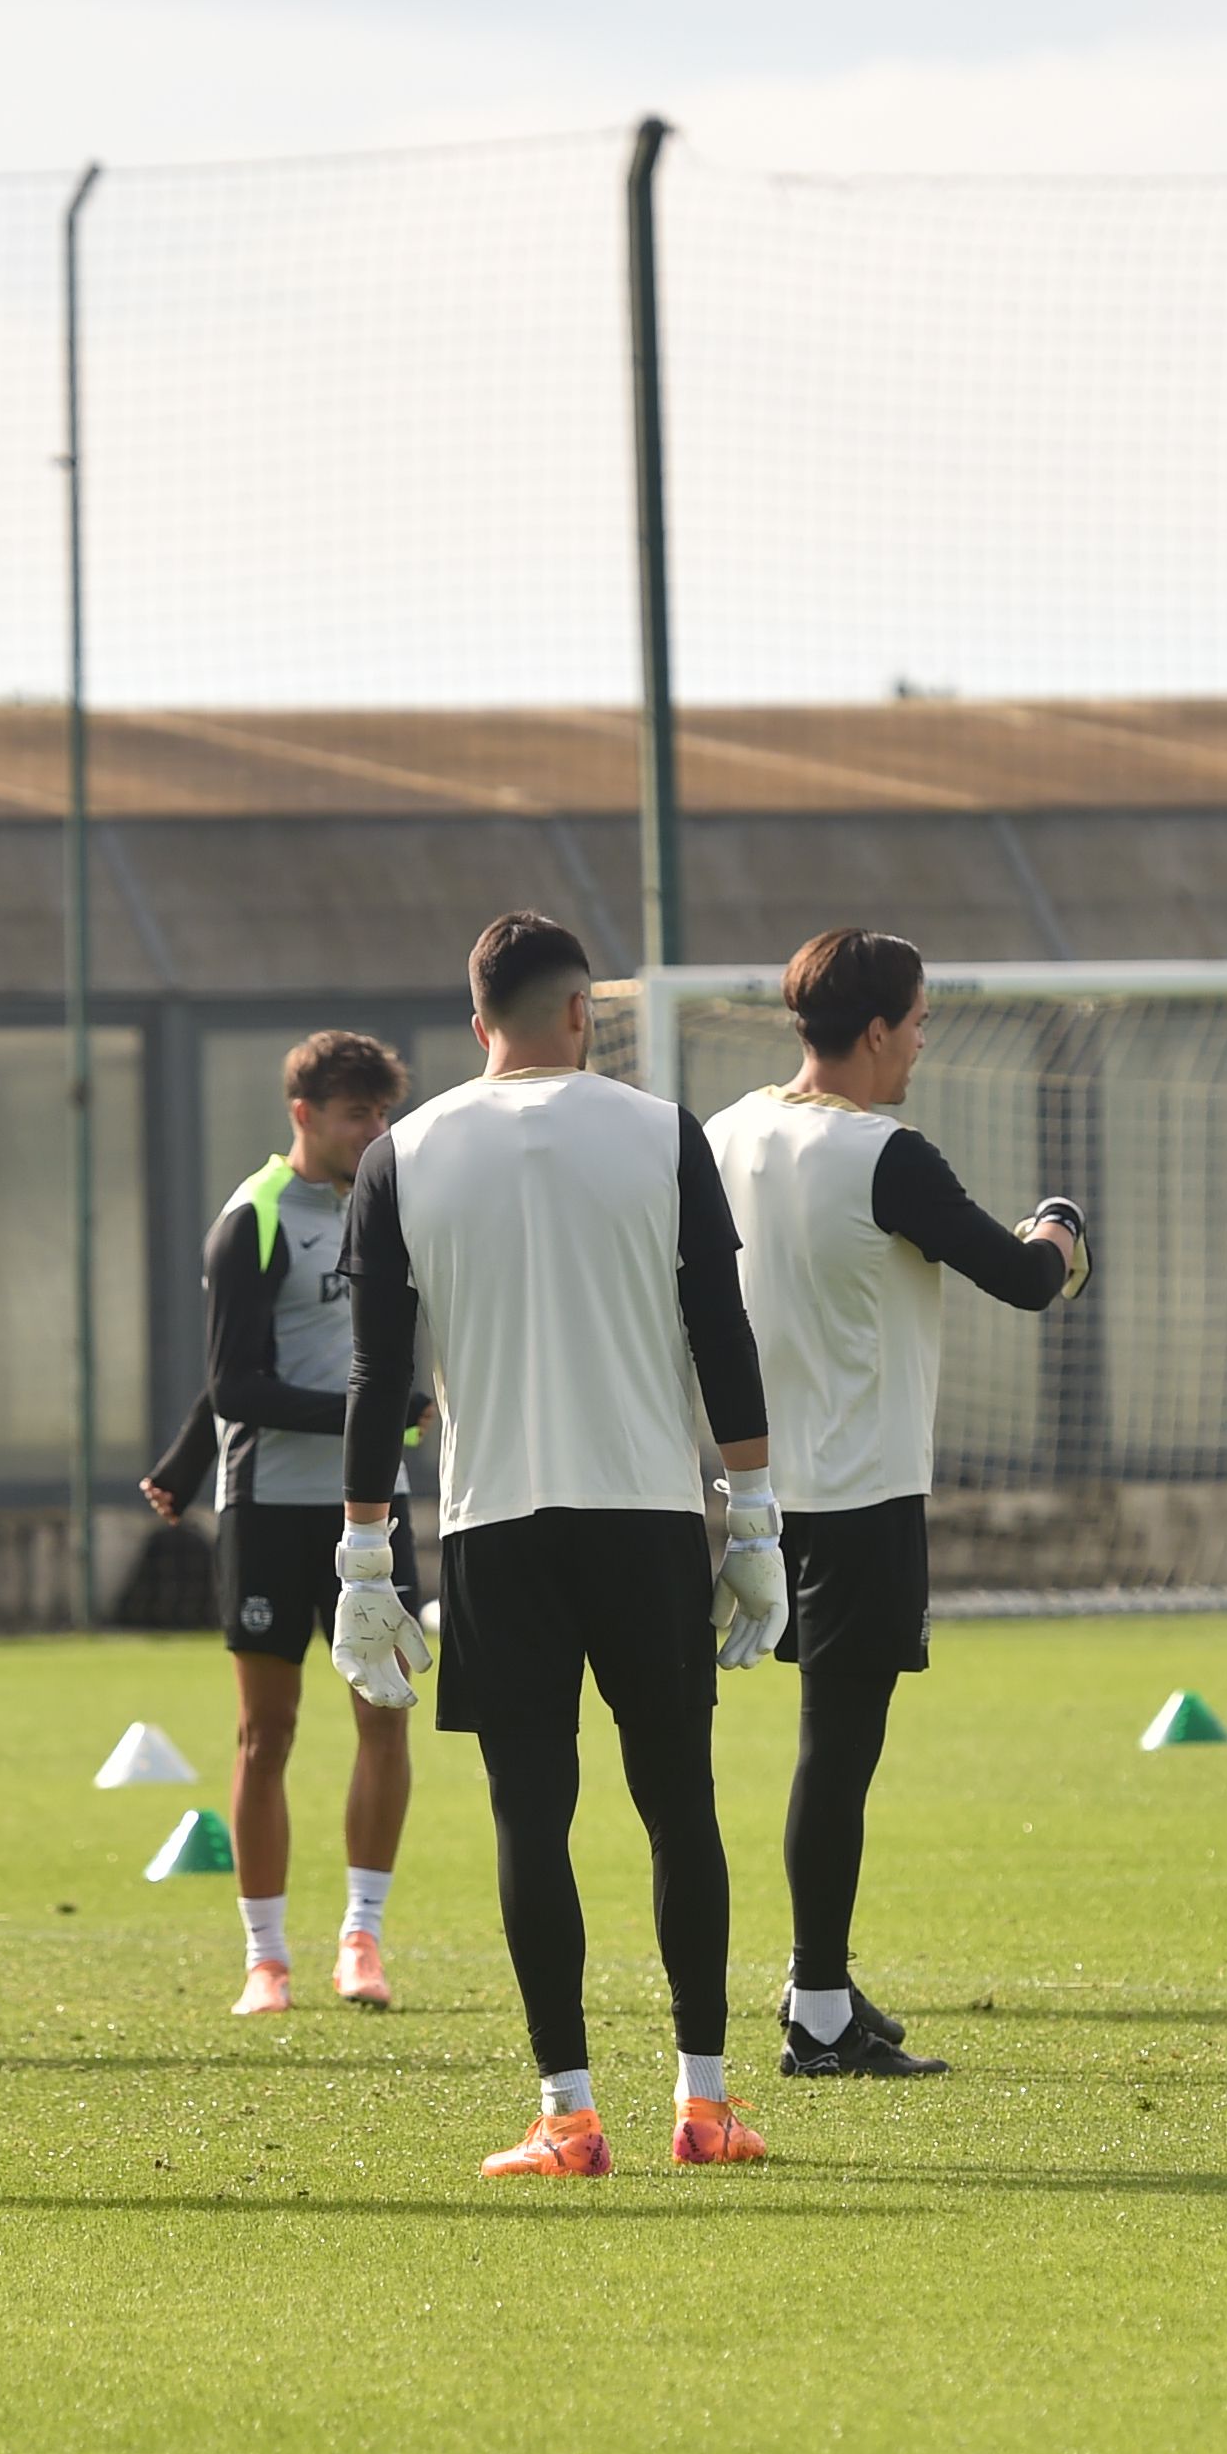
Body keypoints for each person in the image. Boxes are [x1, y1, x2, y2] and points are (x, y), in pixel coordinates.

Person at [330, 910, 780, 2178]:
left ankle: (568, 2115)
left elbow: (375, 1379)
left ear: (475, 1023)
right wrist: (752, 1515)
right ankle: (703, 2104)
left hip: (495, 1530)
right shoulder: (662, 1131)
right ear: (583, 1011)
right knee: (678, 1804)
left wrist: (363, 1557)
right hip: (646, 1519)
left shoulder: (400, 1153)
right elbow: (721, 1332)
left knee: (529, 1815)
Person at [709, 928, 1084, 2077]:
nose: (923, 1042)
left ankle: (814, 1982)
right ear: (875, 1030)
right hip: (860, 1495)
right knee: (835, 1753)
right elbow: (1020, 1278)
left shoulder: (724, 1130)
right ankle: (818, 2013)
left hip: (745, 1489)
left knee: (761, 1751)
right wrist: (1061, 1231)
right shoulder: (886, 1154)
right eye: (918, 1022)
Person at [144, 1035, 423, 2015]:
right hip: (267, 1511)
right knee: (266, 1733)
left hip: (374, 1507)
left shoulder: (387, 1206)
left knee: (384, 1715)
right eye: (356, 1116)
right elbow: (238, 1382)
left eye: (382, 1115)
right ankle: (265, 1958)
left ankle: (361, 1940)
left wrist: (178, 1461)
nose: (373, 1132)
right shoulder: (253, 1220)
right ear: (303, 1115)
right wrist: (371, 1414)